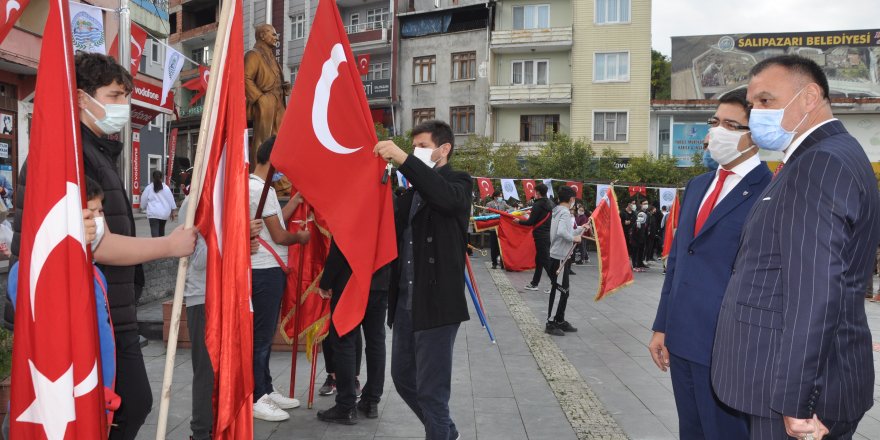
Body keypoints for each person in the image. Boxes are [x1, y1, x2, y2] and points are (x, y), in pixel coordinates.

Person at [8, 52, 198, 440]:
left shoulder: (91, 150)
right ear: (80, 98)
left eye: (125, 96)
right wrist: (170, 245)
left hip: (106, 307)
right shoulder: (70, 156)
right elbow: (96, 247)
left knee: (114, 407)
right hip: (82, 311)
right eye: (114, 95)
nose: (123, 106)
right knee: (117, 406)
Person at [712, 55, 880, 439]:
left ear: (810, 97)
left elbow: (815, 292)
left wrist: (798, 401)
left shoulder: (819, 163)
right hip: (799, 377)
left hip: (794, 395)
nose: (756, 114)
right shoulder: (823, 156)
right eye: (753, 105)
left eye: (767, 101)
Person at [649, 88, 771, 440]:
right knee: (691, 431)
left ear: (755, 136)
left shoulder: (770, 191)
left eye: (732, 125)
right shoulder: (698, 184)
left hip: (728, 346)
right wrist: (662, 325)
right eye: (715, 121)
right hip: (682, 339)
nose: (718, 131)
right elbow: (678, 263)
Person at [373, 120, 471, 440]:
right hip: (405, 303)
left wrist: (403, 159)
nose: (416, 152)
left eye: (424, 147)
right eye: (413, 147)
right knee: (402, 379)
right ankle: (445, 431)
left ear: (444, 149)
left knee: (432, 391)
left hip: (437, 304)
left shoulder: (458, 181)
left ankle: (439, 431)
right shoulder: (410, 193)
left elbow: (444, 198)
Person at [249, 136, 310, 422]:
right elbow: (280, 235)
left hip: (262, 270)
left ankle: (266, 388)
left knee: (262, 336)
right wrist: (301, 237)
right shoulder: (260, 190)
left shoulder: (258, 188)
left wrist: (296, 199)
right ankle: (257, 396)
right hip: (264, 272)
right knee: (261, 339)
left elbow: (275, 222)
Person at [316, 239, 392, 424]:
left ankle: (346, 405)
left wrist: (326, 282)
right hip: (380, 277)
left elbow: (342, 242)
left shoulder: (353, 207)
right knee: (375, 341)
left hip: (350, 280)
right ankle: (371, 400)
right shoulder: (387, 207)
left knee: (344, 340)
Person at [245, 24, 290, 163]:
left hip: (279, 101)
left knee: (281, 140)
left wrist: (284, 87)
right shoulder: (253, 54)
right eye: (273, 34)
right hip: (265, 102)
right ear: (262, 36)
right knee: (263, 141)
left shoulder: (272, 58)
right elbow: (245, 77)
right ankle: (259, 176)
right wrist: (259, 98)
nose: (276, 37)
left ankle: (280, 181)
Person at [544, 186, 584, 336]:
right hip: (560, 256)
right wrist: (574, 238)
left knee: (564, 291)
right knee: (560, 291)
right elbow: (562, 233)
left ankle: (560, 320)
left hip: (560, 255)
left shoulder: (558, 211)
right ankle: (551, 322)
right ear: (571, 199)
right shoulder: (565, 212)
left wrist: (579, 229)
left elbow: (565, 231)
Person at [517, 183, 554, 291]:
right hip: (547, 234)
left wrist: (519, 221)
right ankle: (534, 283)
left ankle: (555, 283)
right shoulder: (550, 203)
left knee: (545, 261)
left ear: (537, 193)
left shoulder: (537, 205)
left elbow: (530, 222)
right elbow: (541, 216)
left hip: (540, 236)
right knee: (539, 260)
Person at [140, 170, 178, 237]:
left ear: (152, 177)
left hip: (153, 213)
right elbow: (171, 200)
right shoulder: (166, 188)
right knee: (161, 231)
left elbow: (143, 199)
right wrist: (173, 211)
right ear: (162, 178)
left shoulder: (148, 188)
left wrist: (143, 206)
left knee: (154, 231)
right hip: (164, 213)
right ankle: (161, 246)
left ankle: (156, 245)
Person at [484, 190, 510, 269]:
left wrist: (505, 212)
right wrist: (494, 214)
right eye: (499, 196)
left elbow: (511, 209)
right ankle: (494, 263)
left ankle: (502, 263)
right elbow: (484, 213)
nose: (501, 198)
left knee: (501, 246)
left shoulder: (503, 203)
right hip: (493, 228)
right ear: (495, 197)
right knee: (494, 246)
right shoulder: (489, 204)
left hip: (502, 227)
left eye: (501, 196)